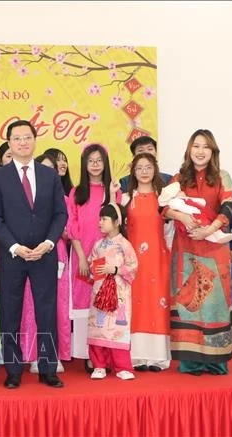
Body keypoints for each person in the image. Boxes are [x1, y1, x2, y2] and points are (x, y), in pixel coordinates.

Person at [0, 120, 68, 389]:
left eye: (27, 137)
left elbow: (60, 214)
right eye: (17, 138)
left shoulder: (49, 176)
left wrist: (49, 243)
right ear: (9, 143)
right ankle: (13, 370)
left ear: (35, 140)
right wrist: (14, 246)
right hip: (12, 255)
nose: (23, 142)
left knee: (47, 312)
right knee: (10, 313)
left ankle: (48, 368)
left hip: (44, 254)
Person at [164, 129, 232, 375]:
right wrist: (182, 215)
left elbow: (228, 208)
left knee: (214, 305)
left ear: (213, 151)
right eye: (196, 146)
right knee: (187, 303)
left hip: (215, 250)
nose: (201, 151)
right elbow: (163, 209)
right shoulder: (179, 178)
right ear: (189, 149)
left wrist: (209, 230)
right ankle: (190, 361)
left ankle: (216, 361)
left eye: (206, 146)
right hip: (185, 250)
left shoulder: (222, 177)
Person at [66, 144, 121, 372]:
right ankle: (87, 354)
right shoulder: (77, 192)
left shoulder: (113, 191)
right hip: (82, 254)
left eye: (99, 160)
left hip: (106, 256)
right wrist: (81, 257)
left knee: (104, 302)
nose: (95, 165)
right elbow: (73, 225)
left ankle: (104, 355)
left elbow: (118, 222)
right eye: (91, 160)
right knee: (83, 304)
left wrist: (114, 194)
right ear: (84, 164)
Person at [122, 153, 171, 371]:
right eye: (139, 167)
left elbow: (169, 231)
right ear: (133, 171)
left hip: (159, 259)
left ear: (155, 170)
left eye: (148, 167)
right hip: (133, 262)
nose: (144, 171)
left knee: (157, 304)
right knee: (136, 304)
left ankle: (158, 357)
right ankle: (137, 356)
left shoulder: (164, 200)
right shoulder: (125, 199)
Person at [27, 152, 69, 371]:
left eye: (50, 169)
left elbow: (70, 229)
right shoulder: (25, 195)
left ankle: (56, 354)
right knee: (32, 306)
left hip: (55, 252)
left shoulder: (65, 197)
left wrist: (56, 234)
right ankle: (34, 353)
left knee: (56, 306)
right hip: (30, 253)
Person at [87, 203, 138, 380]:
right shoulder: (98, 244)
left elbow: (133, 267)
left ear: (116, 222)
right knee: (98, 328)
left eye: (104, 219)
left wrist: (115, 269)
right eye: (99, 219)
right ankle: (99, 365)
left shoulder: (125, 245)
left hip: (119, 293)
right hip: (100, 292)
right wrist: (94, 271)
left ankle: (122, 367)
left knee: (118, 328)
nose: (100, 222)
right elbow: (92, 263)